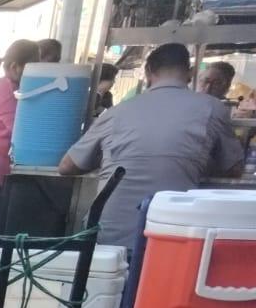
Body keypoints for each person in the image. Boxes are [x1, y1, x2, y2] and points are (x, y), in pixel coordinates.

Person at [59, 42, 245, 247]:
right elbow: (233, 168)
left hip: (106, 237)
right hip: (169, 239)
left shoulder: (118, 111)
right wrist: (197, 160)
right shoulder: (212, 108)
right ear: (190, 73)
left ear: (148, 72)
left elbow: (67, 166)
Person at [0, 39, 40, 189]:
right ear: (15, 67)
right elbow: (19, 130)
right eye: (33, 67)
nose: (37, 73)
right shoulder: (5, 90)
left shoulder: (9, 87)